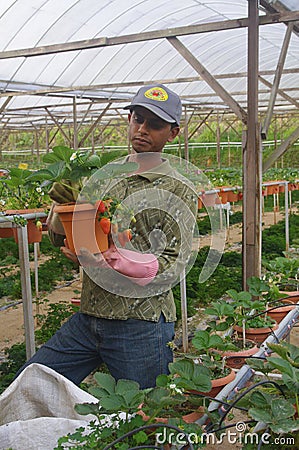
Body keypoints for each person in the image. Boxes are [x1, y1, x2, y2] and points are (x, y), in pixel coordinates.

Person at [16, 84, 198, 389]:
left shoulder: (177, 188)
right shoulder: (104, 175)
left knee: (142, 415)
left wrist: (115, 260)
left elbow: (173, 263)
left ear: (173, 133)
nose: (142, 129)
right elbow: (59, 239)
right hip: (90, 314)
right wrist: (62, 211)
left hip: (140, 322)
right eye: (137, 119)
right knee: (32, 384)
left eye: (154, 124)